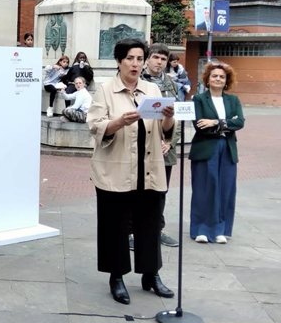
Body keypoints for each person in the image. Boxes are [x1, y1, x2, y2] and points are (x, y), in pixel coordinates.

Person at [87, 38, 176, 305]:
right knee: (115, 225)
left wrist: (169, 117)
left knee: (150, 223)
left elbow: (165, 130)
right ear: (119, 61)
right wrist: (117, 122)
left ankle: (151, 274)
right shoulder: (105, 90)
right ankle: (117, 277)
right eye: (130, 58)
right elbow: (94, 126)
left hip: (149, 169)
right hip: (115, 169)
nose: (135, 64)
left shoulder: (152, 90)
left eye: (139, 58)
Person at [189, 62, 245, 244]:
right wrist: (227, 123)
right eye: (214, 76)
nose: (218, 79)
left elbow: (240, 122)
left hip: (227, 149)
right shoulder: (198, 99)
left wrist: (215, 123)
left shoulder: (233, 100)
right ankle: (201, 229)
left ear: (226, 80)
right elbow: (199, 125)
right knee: (204, 188)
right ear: (207, 79)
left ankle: (221, 229)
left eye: (222, 76)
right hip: (206, 148)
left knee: (225, 188)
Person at [140, 43, 180, 248]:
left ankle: (158, 229)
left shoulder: (171, 84)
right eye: (156, 57)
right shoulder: (138, 80)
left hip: (165, 148)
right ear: (147, 59)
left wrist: (170, 143)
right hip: (142, 144)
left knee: (160, 191)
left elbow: (178, 116)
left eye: (163, 59)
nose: (159, 62)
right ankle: (133, 231)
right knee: (137, 189)